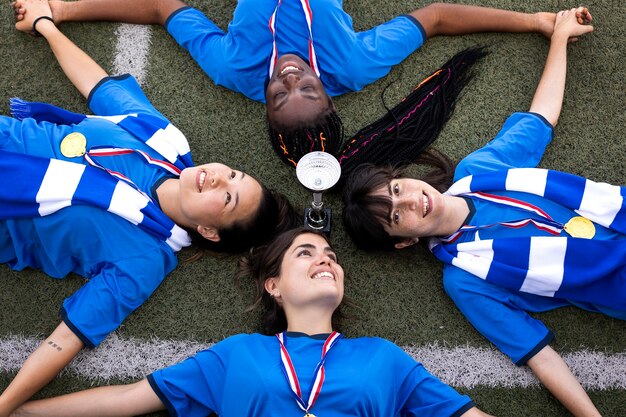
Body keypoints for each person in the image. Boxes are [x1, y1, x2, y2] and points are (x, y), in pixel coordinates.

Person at [0, 1, 297, 415]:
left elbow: (67, 338)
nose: (217, 177)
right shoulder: (164, 140)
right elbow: (98, 86)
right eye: (232, 173)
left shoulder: (145, 260)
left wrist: (5, 405)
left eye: (227, 197)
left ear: (211, 232)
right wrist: (46, 24)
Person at [342, 8, 620, 417]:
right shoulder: (464, 280)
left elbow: (540, 118)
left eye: (397, 189)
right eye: (397, 216)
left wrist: (558, 37)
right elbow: (538, 354)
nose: (410, 201)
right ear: (403, 241)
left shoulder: (478, 172)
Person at [8, 228, 495, 417]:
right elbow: (125, 400)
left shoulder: (385, 359)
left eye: (330, 256)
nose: (326, 261)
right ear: (274, 286)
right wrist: (16, 411)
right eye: (306, 254)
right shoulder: (236, 354)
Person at [16, 0, 557, 166]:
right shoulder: (355, 65)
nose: (290, 79)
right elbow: (436, 18)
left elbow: (162, 8)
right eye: (309, 91)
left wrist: (60, 8)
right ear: (331, 93)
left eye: (278, 96)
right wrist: (536, 23)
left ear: (264, 105)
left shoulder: (233, 69)